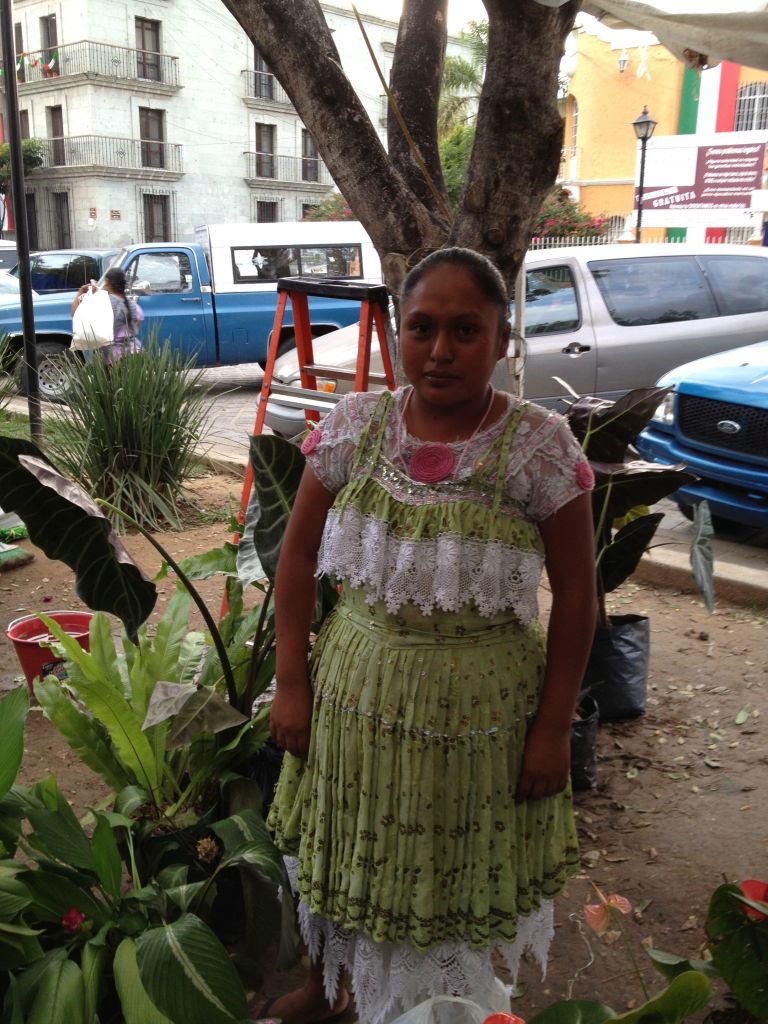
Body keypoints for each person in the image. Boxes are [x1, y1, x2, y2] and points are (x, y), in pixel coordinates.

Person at [262, 247, 597, 1024]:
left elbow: (579, 598)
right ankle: (328, 988)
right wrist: (291, 681)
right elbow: (299, 556)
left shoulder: (540, 448)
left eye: (465, 329)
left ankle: (440, 1007)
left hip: (481, 718)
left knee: (451, 861)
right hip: (357, 696)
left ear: (503, 341)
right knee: (341, 845)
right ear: (396, 333)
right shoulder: (353, 428)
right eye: (422, 328)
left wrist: (553, 731)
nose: (440, 349)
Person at [71, 267, 144, 362]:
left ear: (107, 282)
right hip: (135, 354)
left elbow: (75, 314)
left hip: (112, 359)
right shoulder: (135, 307)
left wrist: (81, 292)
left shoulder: (101, 304)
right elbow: (136, 326)